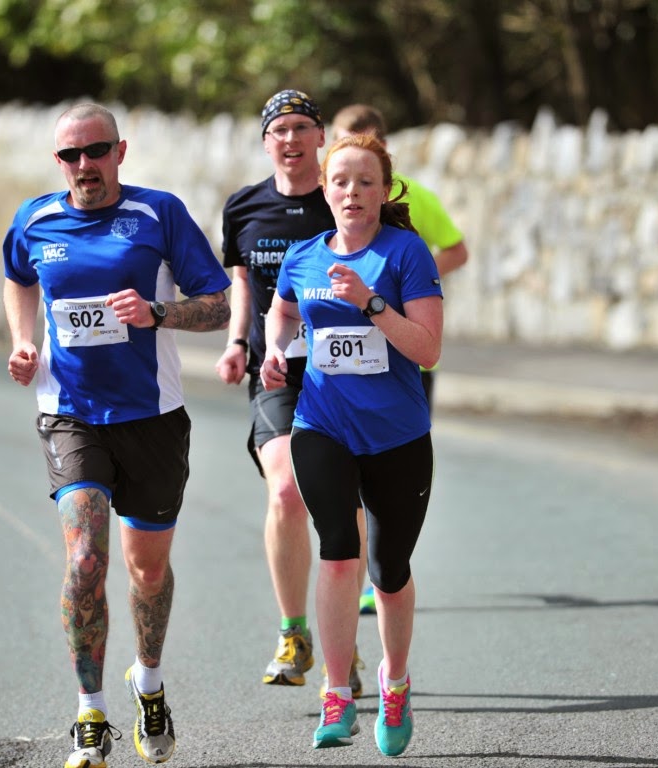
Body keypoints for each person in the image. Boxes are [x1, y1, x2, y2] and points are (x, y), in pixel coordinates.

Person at [3, 102, 231, 768]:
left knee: (146, 571)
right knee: (84, 563)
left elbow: (217, 302)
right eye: (69, 156)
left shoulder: (159, 214)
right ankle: (90, 713)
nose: (83, 167)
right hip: (71, 413)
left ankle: (149, 682)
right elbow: (17, 279)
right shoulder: (35, 219)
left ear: (120, 152)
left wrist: (156, 312)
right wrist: (24, 343)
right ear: (58, 162)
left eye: (95, 152)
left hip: (152, 417)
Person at [260, 132, 442, 755]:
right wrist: (274, 351)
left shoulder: (406, 253)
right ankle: (337, 693)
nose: (352, 193)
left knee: (388, 573)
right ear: (325, 189)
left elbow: (428, 349)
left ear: (384, 189)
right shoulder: (304, 256)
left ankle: (394, 680)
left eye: (365, 182)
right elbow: (281, 312)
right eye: (340, 182)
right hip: (323, 425)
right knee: (339, 552)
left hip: (397, 435)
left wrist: (370, 305)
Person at [214, 89, 367, 698]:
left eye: (303, 127)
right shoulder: (244, 207)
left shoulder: (343, 201)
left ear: (320, 137)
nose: (292, 138)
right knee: (284, 490)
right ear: (266, 142)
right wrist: (235, 343)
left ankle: (344, 641)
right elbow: (244, 285)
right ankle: (294, 631)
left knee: (345, 506)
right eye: (280, 129)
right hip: (275, 371)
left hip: (344, 373)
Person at [330, 103, 469, 614]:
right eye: (343, 138)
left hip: (407, 360)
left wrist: (408, 278)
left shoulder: (414, 196)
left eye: (363, 139)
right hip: (342, 374)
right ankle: (365, 570)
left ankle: (381, 572)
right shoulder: (333, 200)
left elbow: (456, 249)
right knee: (349, 478)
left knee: (387, 473)